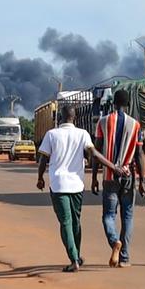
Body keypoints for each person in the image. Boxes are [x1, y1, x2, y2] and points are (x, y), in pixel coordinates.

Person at [38, 106, 124, 273]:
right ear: (75, 117)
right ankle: (76, 255)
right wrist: (113, 167)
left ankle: (74, 260)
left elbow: (43, 159)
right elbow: (94, 154)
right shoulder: (82, 134)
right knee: (76, 222)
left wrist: (40, 178)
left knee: (66, 223)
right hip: (77, 185)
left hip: (58, 185)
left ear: (60, 118)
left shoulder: (52, 134)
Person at [94, 89, 145, 268]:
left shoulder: (102, 122)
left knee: (108, 215)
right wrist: (142, 181)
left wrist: (94, 177)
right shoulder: (135, 125)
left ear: (113, 103)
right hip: (128, 176)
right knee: (128, 217)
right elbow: (139, 155)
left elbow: (97, 152)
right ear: (128, 104)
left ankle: (115, 241)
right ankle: (124, 257)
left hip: (109, 176)